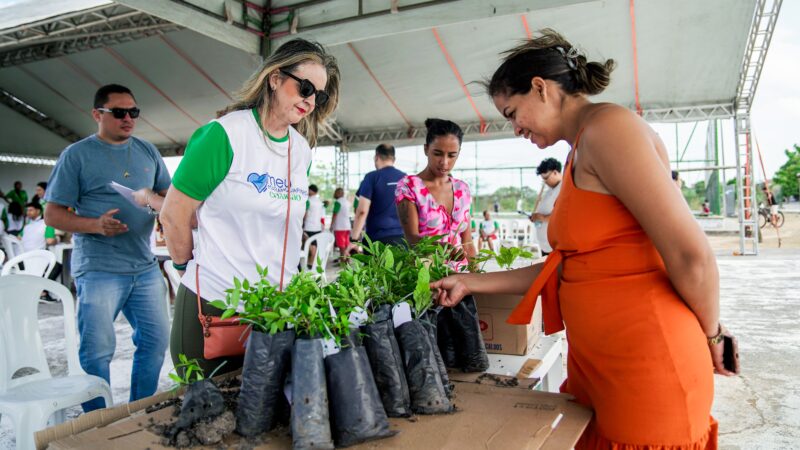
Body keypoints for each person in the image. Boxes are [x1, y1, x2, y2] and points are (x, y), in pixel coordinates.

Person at [431, 29, 734, 448]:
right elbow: (570, 263)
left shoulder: (609, 130)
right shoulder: (582, 148)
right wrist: (471, 282)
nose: (514, 127)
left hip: (646, 362)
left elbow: (690, 254)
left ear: (540, 88)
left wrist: (713, 335)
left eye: (512, 111)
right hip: (602, 364)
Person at [160, 38, 340, 376]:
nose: (311, 100)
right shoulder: (224, 135)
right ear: (274, 78)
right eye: (304, 87)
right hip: (214, 308)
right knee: (205, 418)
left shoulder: (301, 151)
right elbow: (173, 214)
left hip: (274, 313)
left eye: (319, 94)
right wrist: (185, 268)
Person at [45, 83, 171, 412]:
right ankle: (98, 424)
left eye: (134, 112)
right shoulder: (77, 155)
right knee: (97, 351)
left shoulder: (148, 151)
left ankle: (137, 413)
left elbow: (168, 199)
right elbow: (53, 213)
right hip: (99, 270)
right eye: (119, 112)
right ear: (97, 114)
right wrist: (95, 225)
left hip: (143, 267)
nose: (128, 118)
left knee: (156, 342)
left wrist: (158, 209)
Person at [395, 118, 476, 268]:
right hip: (427, 277)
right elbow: (412, 240)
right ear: (426, 149)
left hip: (462, 279)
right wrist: (443, 248)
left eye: (452, 155)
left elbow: (468, 243)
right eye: (438, 154)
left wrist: (478, 280)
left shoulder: (462, 189)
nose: (444, 162)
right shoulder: (409, 187)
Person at [351, 143, 406, 246]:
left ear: (376, 157)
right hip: (402, 239)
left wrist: (354, 240)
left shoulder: (371, 178)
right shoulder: (406, 178)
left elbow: (362, 211)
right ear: (394, 159)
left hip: (376, 240)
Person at [529, 157, 562, 256]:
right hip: (546, 245)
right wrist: (536, 217)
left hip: (556, 245)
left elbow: (565, 216)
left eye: (546, 178)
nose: (545, 182)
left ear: (555, 172)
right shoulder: (550, 190)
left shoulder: (564, 189)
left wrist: (542, 218)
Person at [303, 184, 324, 267]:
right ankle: (312, 264)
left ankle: (308, 264)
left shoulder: (308, 201)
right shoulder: (320, 202)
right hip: (317, 227)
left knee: (308, 246)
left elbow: (305, 214)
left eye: (308, 190)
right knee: (314, 246)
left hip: (308, 227)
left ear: (312, 191)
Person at [330, 187, 353, 262]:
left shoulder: (338, 202)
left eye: (336, 192)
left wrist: (331, 225)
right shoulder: (347, 202)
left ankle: (343, 261)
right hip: (347, 226)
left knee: (341, 245)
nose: (334, 194)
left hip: (340, 226)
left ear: (339, 193)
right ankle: (347, 260)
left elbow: (335, 214)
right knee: (346, 244)